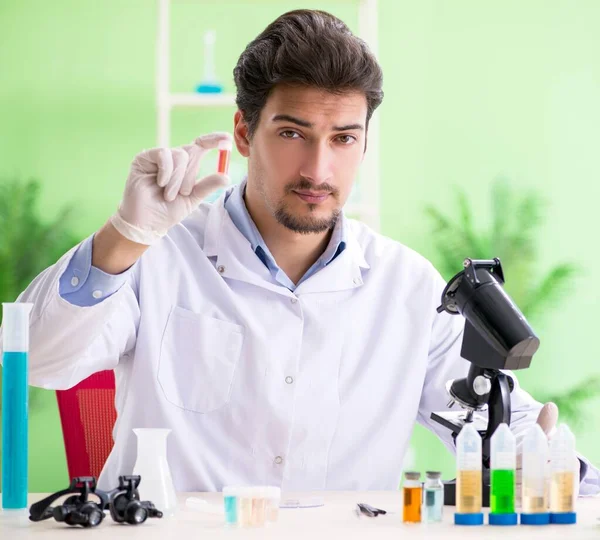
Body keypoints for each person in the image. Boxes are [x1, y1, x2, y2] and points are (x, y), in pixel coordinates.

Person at [1, 9, 598, 495]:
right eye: (292, 134)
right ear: (243, 132)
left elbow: (509, 429)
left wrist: (547, 465)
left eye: (343, 138)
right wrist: (125, 237)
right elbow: (44, 362)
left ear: (364, 141)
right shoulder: (158, 253)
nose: (319, 168)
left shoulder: (408, 287)